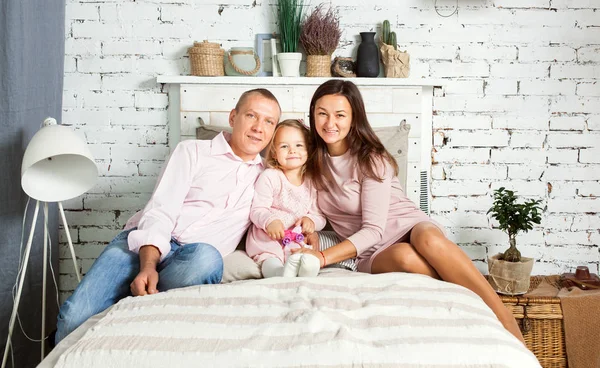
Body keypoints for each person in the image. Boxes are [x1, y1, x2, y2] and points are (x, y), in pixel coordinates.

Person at [292, 79, 526, 344]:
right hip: (372, 251)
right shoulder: (307, 158)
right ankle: (469, 304)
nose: (329, 123)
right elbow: (319, 208)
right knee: (405, 258)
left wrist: (322, 258)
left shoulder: (372, 159)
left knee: (427, 240)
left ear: (354, 117)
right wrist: (311, 225)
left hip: (407, 226)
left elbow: (373, 229)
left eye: (340, 115)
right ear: (312, 113)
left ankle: (503, 317)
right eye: (322, 113)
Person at [53, 88, 281, 344]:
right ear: (232, 117)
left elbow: (295, 205)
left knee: (208, 258)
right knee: (73, 317)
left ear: (274, 131)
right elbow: (161, 209)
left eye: (269, 122)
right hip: (141, 245)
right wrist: (148, 265)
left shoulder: (269, 178)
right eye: (251, 116)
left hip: (191, 262)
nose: (259, 127)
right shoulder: (193, 151)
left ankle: (130, 312)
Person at [245, 119, 326, 278]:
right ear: (274, 152)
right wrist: (270, 220)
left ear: (308, 149)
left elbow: (320, 216)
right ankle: (278, 273)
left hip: (296, 238)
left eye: (299, 145)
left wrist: (310, 220)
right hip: (269, 237)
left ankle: (308, 268)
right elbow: (257, 210)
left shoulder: (313, 181)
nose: (292, 151)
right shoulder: (270, 177)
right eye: (284, 146)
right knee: (269, 259)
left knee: (304, 255)